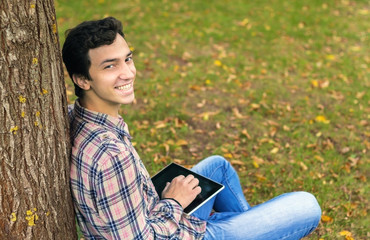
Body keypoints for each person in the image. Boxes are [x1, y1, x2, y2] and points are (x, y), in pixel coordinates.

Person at [62, 17, 321, 240]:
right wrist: (173, 202)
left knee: (217, 166)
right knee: (307, 205)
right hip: (172, 231)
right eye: (110, 66)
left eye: (127, 59)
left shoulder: (79, 116)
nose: (128, 73)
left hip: (151, 212)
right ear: (82, 79)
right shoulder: (110, 154)